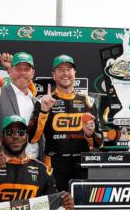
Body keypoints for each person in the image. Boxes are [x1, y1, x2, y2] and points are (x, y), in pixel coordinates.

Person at [28, 54, 100, 192]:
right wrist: (43, 111)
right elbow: (32, 138)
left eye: (69, 69)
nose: (65, 73)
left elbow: (99, 142)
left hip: (82, 165)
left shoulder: (88, 102)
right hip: (54, 165)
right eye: (60, 69)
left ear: (75, 73)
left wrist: (90, 134)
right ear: (54, 74)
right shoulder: (44, 101)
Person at [0, 52, 43, 159]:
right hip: (3, 163)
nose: (22, 73)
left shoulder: (36, 102)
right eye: (18, 69)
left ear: (32, 73)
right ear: (10, 71)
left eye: (26, 69)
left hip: (32, 165)